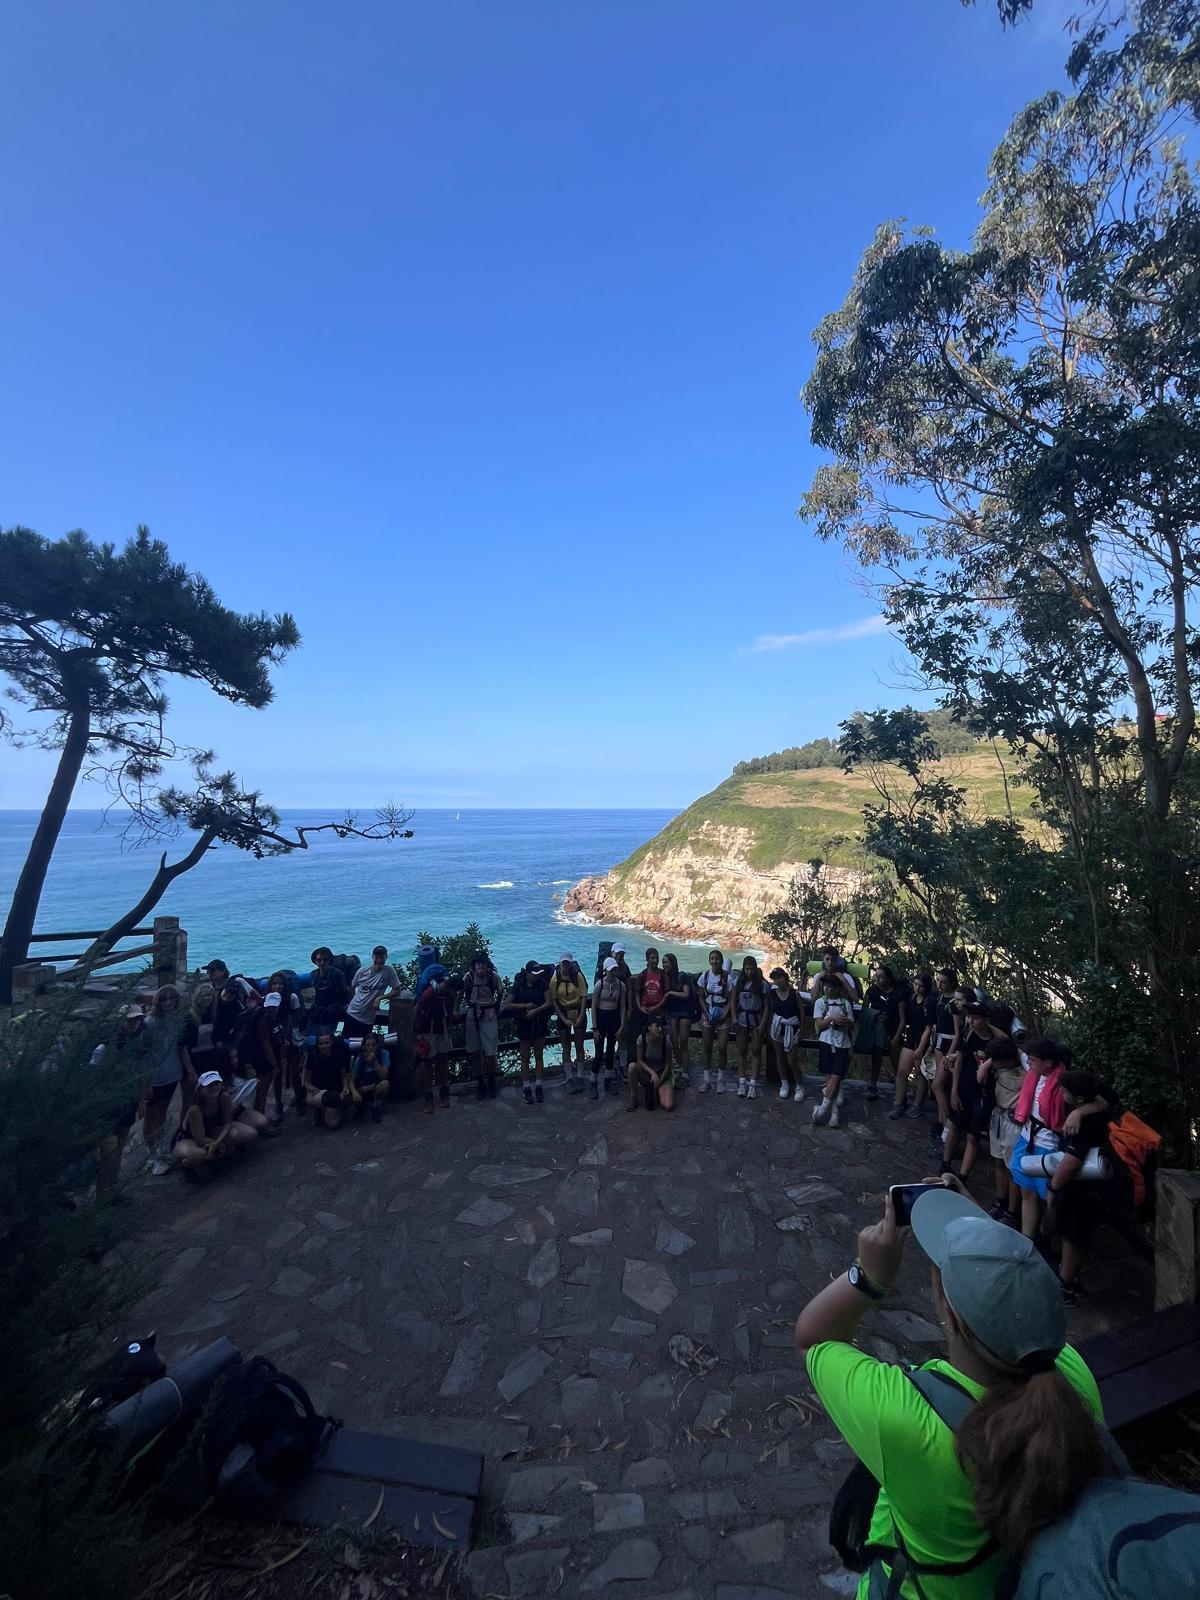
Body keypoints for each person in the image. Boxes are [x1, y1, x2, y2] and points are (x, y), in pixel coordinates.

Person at [795, 1175, 1109, 1600]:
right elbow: (1015, 1303)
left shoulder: (907, 1420)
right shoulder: (1072, 1377)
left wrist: (868, 1276)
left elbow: (813, 1338)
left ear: (949, 1312)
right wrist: (988, 1236)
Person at [1044, 1070, 1120, 1304]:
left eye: (1066, 1092)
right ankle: (1073, 1281)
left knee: (1071, 1236)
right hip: (1096, 1188)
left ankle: (1065, 1287)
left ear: (1079, 1099)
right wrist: (1079, 1111)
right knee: (1082, 1235)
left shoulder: (1084, 1125)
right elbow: (1108, 1096)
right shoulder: (1102, 1109)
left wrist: (1053, 1188)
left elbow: (1071, 1163)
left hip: (1079, 1190)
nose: (1061, 1093)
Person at [1008, 1038, 1068, 1240]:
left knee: (1049, 1200)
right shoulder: (1036, 1072)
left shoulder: (1065, 1084)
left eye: (1033, 1060)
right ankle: (1027, 1239)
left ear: (1048, 1062)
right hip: (1026, 1139)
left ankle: (1046, 1237)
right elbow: (1013, 1046)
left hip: (1048, 1146)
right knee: (1027, 1192)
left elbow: (1100, 1101)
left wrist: (1079, 1113)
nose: (1029, 1063)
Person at [91, 1003, 150, 1198]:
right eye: (130, 1019)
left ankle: (113, 1189)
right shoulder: (103, 1048)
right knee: (109, 1151)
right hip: (107, 1106)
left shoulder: (138, 1042)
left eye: (137, 1019)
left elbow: (141, 1072)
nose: (134, 1023)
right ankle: (102, 1196)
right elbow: (93, 1081)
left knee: (121, 1145)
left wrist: (142, 1100)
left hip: (128, 1100)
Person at [942, 1000, 998, 1185]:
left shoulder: (995, 1042)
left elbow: (1007, 1043)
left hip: (983, 1094)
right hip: (965, 1087)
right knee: (956, 1126)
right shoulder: (969, 1036)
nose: (970, 1021)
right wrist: (954, 1090)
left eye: (975, 1018)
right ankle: (945, 1164)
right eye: (969, 1017)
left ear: (987, 1020)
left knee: (973, 1135)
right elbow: (959, 1062)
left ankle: (963, 1177)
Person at [976, 1034, 1026, 1226]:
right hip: (998, 1116)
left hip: (1014, 1124)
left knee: (1011, 1167)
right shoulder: (997, 1068)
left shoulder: (1026, 1072)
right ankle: (1001, 1200)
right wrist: (987, 1063)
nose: (993, 1063)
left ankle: (1012, 1211)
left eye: (996, 1061)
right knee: (998, 1162)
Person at [171, 1069, 260, 1176]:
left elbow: (228, 1123)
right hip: (189, 1138)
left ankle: (217, 1156)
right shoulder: (196, 1109)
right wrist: (217, 1143)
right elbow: (200, 1138)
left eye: (217, 1083)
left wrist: (217, 1142)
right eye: (210, 1085)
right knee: (201, 1154)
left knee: (249, 1134)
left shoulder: (224, 1097)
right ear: (201, 1090)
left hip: (211, 1132)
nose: (214, 1087)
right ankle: (186, 1165)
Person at [138, 985, 184, 1175]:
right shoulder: (149, 1023)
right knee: (150, 1116)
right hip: (154, 1077)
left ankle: (161, 1148)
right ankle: (152, 1154)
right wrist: (145, 1081)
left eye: (172, 999)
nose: (168, 1003)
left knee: (162, 1113)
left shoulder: (177, 1020)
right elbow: (142, 1053)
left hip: (172, 1074)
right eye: (164, 1000)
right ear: (158, 1002)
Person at [812, 972, 854, 1127]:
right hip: (826, 1042)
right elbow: (819, 1024)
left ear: (838, 988)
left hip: (842, 1043)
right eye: (826, 986)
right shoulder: (820, 1003)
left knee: (836, 1077)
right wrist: (831, 1019)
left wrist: (846, 1021)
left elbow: (852, 1025)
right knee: (830, 1078)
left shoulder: (845, 1004)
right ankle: (834, 1114)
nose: (828, 989)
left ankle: (822, 1110)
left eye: (831, 986)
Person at [892, 971, 936, 1120]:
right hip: (911, 1037)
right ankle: (899, 1104)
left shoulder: (929, 1002)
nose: (917, 988)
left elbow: (929, 1027)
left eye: (921, 986)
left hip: (922, 1039)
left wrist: (921, 1047)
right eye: (915, 984)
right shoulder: (911, 998)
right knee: (902, 1071)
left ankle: (918, 1105)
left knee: (920, 1074)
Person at [507, 960, 552, 1104]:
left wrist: (535, 1011)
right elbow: (507, 1004)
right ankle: (526, 1087)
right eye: (534, 974)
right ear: (527, 973)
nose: (536, 976)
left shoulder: (542, 983)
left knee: (539, 1056)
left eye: (538, 974)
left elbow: (549, 1002)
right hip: (524, 1023)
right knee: (525, 1057)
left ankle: (539, 1086)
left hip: (538, 1022)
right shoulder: (519, 984)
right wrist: (525, 1006)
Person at [862, 964, 908, 1101]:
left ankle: (901, 1089)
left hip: (894, 1031)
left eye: (881, 977)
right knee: (876, 1059)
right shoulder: (871, 991)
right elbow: (864, 1010)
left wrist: (897, 1036)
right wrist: (875, 1015)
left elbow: (902, 1018)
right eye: (877, 976)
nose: (878, 979)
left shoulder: (898, 994)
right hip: (878, 1031)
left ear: (889, 979)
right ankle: (872, 1085)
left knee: (896, 1061)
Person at [927, 968, 962, 1146]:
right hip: (940, 1041)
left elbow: (957, 1032)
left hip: (949, 1045)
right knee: (940, 1086)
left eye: (943, 982)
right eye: (938, 980)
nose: (939, 984)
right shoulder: (940, 998)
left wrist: (950, 1054)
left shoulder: (954, 1003)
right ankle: (942, 1122)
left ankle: (945, 1125)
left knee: (937, 1086)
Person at [462, 952, 502, 1099]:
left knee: (491, 1052)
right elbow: (461, 993)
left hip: (489, 1014)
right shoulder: (468, 977)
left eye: (483, 963)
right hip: (473, 1015)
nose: (481, 966)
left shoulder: (493, 977)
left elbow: (500, 992)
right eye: (479, 963)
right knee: (475, 1052)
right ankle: (480, 1083)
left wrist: (496, 1009)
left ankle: (491, 1081)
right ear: (474, 965)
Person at [413, 972, 454, 1112]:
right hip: (429, 1030)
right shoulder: (430, 992)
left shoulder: (448, 992)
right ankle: (431, 1096)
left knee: (441, 1061)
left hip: (440, 1029)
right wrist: (417, 1033)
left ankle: (441, 1093)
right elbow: (418, 1009)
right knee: (430, 1063)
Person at [179, 982, 226, 1104]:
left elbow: (218, 1040)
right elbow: (182, 1046)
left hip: (209, 1062)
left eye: (210, 995)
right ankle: (183, 1123)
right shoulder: (189, 1017)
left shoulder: (213, 1015)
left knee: (207, 1099)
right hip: (192, 1063)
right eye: (204, 995)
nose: (207, 998)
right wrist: (190, 1070)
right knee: (189, 1099)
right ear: (197, 997)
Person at [344, 945, 402, 1041]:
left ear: (386, 957)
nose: (379, 960)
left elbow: (397, 990)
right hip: (352, 1014)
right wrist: (351, 1002)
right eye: (376, 956)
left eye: (381, 957)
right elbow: (352, 987)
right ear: (372, 957)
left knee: (363, 1047)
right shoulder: (362, 972)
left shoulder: (389, 971)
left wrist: (380, 998)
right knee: (348, 1045)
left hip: (368, 1019)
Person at [731, 955, 769, 1099]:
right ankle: (742, 1082)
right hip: (741, 1020)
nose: (749, 971)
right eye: (746, 968)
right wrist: (734, 1019)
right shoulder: (738, 982)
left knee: (756, 1051)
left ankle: (752, 1084)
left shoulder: (762, 985)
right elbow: (733, 1001)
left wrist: (763, 1024)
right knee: (741, 1050)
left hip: (756, 1021)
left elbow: (766, 1006)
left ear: (755, 968)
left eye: (751, 968)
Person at [550, 953, 589, 1091]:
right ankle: (569, 1077)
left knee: (579, 1045)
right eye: (563, 963)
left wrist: (581, 1016)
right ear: (560, 963)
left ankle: (579, 1076)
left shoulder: (577, 976)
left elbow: (584, 996)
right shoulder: (555, 979)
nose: (566, 966)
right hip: (564, 1015)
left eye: (568, 963)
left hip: (577, 1012)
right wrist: (562, 1018)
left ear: (571, 963)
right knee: (566, 1047)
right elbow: (554, 1000)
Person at [302, 1027, 354, 1128]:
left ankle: (332, 1109)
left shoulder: (338, 1055)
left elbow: (344, 1076)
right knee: (330, 1100)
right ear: (317, 1044)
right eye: (321, 1044)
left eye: (327, 1043)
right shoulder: (312, 1056)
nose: (324, 1046)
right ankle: (321, 1110)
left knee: (333, 1125)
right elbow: (305, 1081)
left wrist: (345, 1088)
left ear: (331, 1042)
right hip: (319, 1093)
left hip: (336, 1091)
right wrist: (313, 1088)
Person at [590, 956, 627, 1100]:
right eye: (611, 970)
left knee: (611, 1050)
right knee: (599, 1053)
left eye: (615, 970)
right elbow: (593, 1006)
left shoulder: (621, 985)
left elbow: (623, 1006)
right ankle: (593, 1082)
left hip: (614, 1018)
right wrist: (594, 1028)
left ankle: (608, 1079)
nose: (613, 973)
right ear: (605, 970)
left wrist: (622, 1025)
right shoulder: (599, 985)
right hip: (601, 1018)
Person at [696, 949, 732, 1093]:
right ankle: (707, 1080)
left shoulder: (728, 979)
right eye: (712, 958)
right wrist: (705, 1010)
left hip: (723, 1013)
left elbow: (731, 999)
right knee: (707, 1047)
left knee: (722, 1047)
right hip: (708, 1013)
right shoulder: (704, 976)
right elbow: (700, 996)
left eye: (717, 958)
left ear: (721, 961)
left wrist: (726, 1014)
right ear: (709, 960)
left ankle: (721, 1080)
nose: (714, 961)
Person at [769, 967, 806, 1102]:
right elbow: (771, 1010)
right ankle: (784, 1084)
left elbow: (801, 1011)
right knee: (780, 1058)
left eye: (779, 977)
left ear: (785, 977)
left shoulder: (794, 993)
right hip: (778, 1028)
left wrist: (802, 1029)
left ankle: (799, 1086)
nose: (777, 980)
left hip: (792, 1028)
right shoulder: (773, 994)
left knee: (791, 1061)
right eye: (775, 978)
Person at [628, 1016, 675, 1112]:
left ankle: (657, 1090)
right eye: (657, 1026)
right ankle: (634, 1096)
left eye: (661, 1026)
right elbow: (639, 1061)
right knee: (632, 1067)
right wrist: (652, 1073)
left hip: (663, 1074)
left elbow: (668, 1065)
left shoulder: (666, 1041)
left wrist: (659, 1081)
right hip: (647, 1075)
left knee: (668, 1106)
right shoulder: (642, 1039)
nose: (660, 1029)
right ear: (649, 1027)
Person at [661, 954, 695, 1085]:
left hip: (685, 1012)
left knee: (683, 1041)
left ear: (673, 963)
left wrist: (670, 993)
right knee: (673, 1042)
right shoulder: (665, 978)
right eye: (663, 962)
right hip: (672, 1012)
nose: (664, 965)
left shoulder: (682, 976)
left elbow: (686, 994)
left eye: (666, 962)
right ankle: (682, 1066)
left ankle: (685, 1073)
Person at [351, 1031, 390, 1122]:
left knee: (385, 1084)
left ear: (377, 1045)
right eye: (368, 1045)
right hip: (364, 1086)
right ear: (364, 1047)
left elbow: (384, 1076)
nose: (371, 1048)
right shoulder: (360, 1058)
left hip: (376, 1085)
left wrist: (374, 1061)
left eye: (373, 1045)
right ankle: (360, 1107)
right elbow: (351, 1079)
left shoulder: (384, 1054)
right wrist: (354, 1092)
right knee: (352, 1093)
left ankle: (376, 1106)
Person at [309, 946, 351, 1031]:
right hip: (319, 1010)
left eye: (325, 959)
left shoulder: (337, 974)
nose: (322, 962)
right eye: (319, 960)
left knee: (334, 1036)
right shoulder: (313, 974)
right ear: (315, 961)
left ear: (330, 961)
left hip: (335, 1012)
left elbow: (346, 993)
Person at [630, 948, 668, 1037]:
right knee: (644, 1037)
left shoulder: (662, 975)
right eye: (652, 958)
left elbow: (666, 994)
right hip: (645, 1011)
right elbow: (637, 993)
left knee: (658, 1036)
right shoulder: (642, 975)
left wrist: (656, 1007)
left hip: (659, 1011)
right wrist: (640, 1007)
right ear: (647, 959)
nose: (655, 960)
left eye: (656, 958)